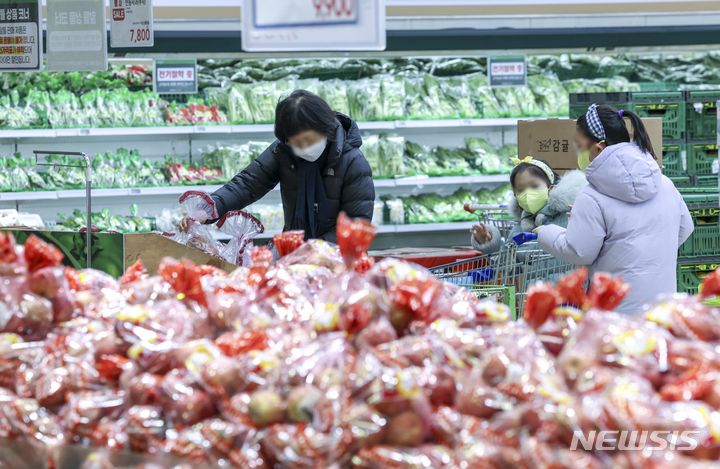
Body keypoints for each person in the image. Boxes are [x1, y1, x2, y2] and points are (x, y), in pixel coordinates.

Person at [537, 103, 694, 314]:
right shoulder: (664, 183)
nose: (578, 153)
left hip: (615, 314)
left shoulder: (591, 196)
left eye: (579, 146)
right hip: (663, 309)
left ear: (599, 148)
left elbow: (579, 251)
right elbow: (685, 227)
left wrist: (546, 232)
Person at [208, 90, 375, 241]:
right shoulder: (283, 152)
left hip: (338, 259)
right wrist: (209, 208)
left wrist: (316, 251)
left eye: (309, 140)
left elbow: (357, 224)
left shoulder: (352, 162)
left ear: (326, 128)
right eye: (296, 143)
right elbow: (248, 184)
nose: (304, 148)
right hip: (296, 255)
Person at [471, 157, 587, 254]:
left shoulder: (567, 216)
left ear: (550, 188)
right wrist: (489, 241)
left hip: (567, 280)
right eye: (521, 190)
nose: (528, 194)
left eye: (534, 186)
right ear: (516, 196)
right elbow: (506, 262)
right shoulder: (520, 227)